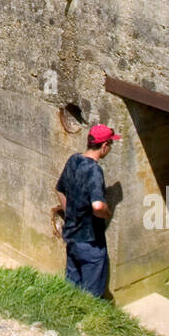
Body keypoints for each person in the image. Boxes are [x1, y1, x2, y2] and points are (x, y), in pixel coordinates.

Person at [51, 124, 119, 297]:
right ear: (104, 146)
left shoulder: (74, 160)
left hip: (72, 235)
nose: (110, 149)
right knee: (91, 294)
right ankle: (87, 321)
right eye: (110, 145)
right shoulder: (94, 171)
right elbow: (97, 205)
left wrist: (70, 213)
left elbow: (59, 189)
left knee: (72, 285)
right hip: (90, 241)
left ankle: (66, 315)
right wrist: (106, 212)